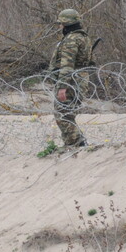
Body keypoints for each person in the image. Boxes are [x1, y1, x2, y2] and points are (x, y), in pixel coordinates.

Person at [49, 8, 92, 148]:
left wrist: (62, 87)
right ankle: (75, 143)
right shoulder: (83, 37)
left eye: (61, 23)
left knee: (63, 114)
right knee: (67, 113)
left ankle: (75, 144)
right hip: (80, 79)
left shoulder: (71, 40)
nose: (60, 26)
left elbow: (67, 65)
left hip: (71, 81)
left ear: (66, 24)